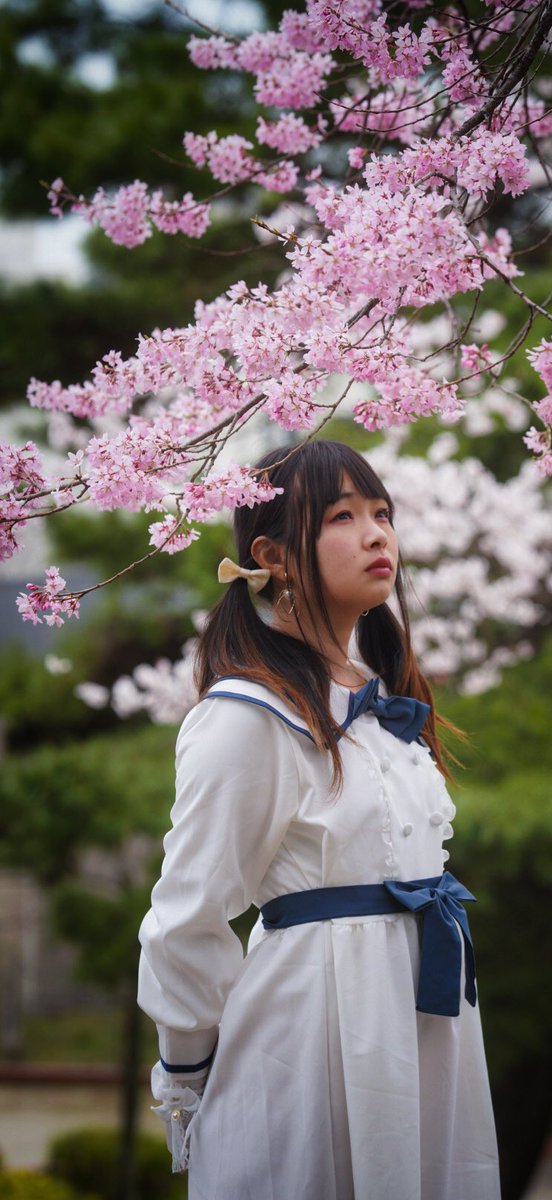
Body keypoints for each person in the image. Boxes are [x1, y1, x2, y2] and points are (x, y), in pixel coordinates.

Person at [138, 438, 501, 1200]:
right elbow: (188, 914)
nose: (377, 535)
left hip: (423, 1018)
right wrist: (185, 1067)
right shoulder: (246, 717)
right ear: (274, 554)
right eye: (343, 515)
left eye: (382, 513)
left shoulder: (382, 703)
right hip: (313, 1030)